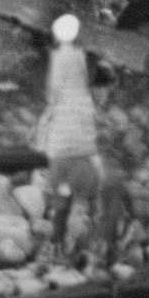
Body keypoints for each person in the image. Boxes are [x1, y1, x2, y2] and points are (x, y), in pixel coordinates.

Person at [35, 14, 114, 261]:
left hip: (62, 153)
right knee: (90, 194)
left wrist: (42, 147)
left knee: (64, 197)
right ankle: (97, 240)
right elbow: (91, 130)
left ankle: (57, 242)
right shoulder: (84, 99)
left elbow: (52, 101)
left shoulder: (61, 69)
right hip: (80, 152)